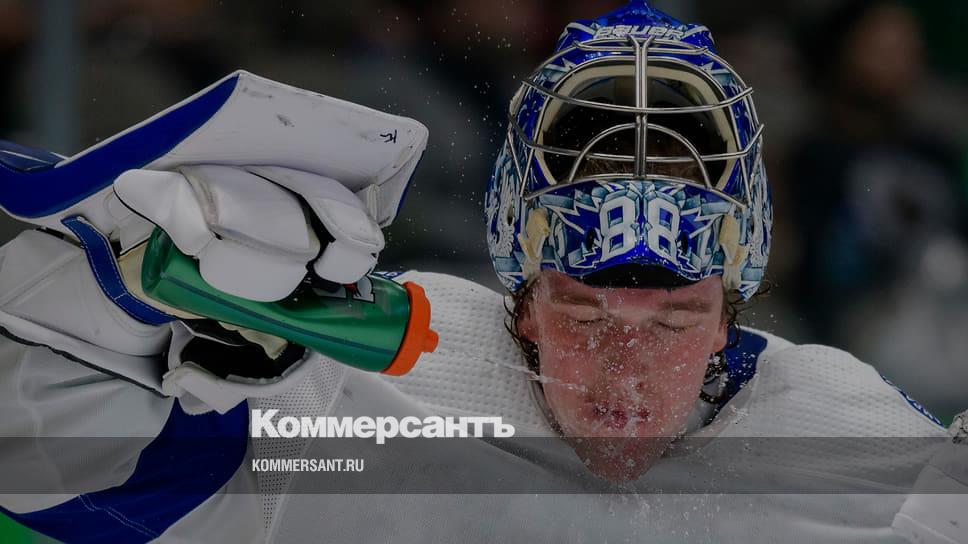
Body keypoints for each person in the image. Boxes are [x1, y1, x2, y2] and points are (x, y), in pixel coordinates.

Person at [0, 1, 963, 543]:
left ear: (729, 316)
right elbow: (50, 474)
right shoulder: (359, 388)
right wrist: (113, 299)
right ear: (523, 301)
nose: (627, 371)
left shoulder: (854, 435)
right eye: (584, 314)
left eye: (673, 322)